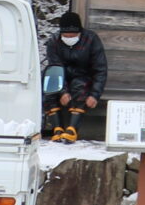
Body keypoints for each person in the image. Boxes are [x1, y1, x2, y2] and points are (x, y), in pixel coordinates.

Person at [42, 12, 107, 143]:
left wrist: (95, 95)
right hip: (61, 75)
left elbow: (100, 69)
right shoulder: (54, 41)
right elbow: (55, 67)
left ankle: (72, 129)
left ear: (80, 32)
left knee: (80, 85)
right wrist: (63, 91)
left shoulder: (91, 39)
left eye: (73, 35)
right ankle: (57, 128)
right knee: (48, 84)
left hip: (83, 76)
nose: (69, 37)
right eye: (66, 35)